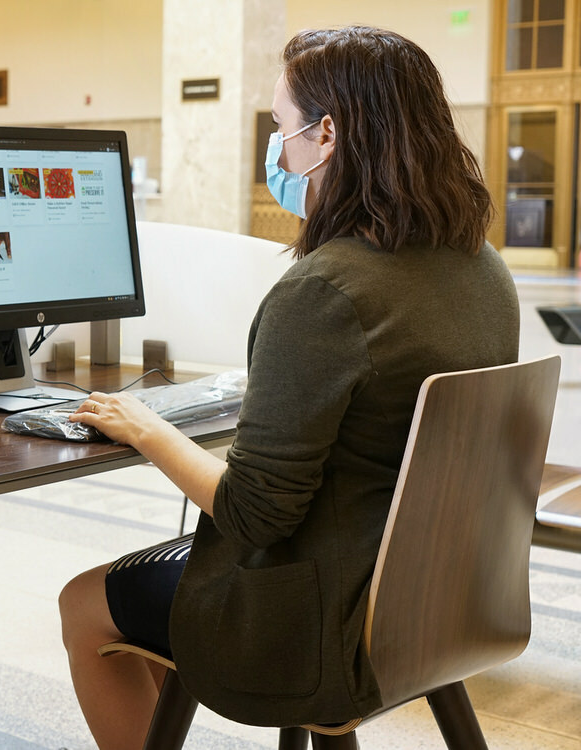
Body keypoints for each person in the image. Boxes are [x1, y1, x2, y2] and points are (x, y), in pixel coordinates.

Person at [58, 25, 520, 749]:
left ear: (326, 133)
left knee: (85, 604)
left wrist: (145, 425)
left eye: (280, 127)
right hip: (443, 604)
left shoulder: (326, 292)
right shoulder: (481, 267)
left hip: (321, 626)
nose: (277, 150)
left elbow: (255, 515)